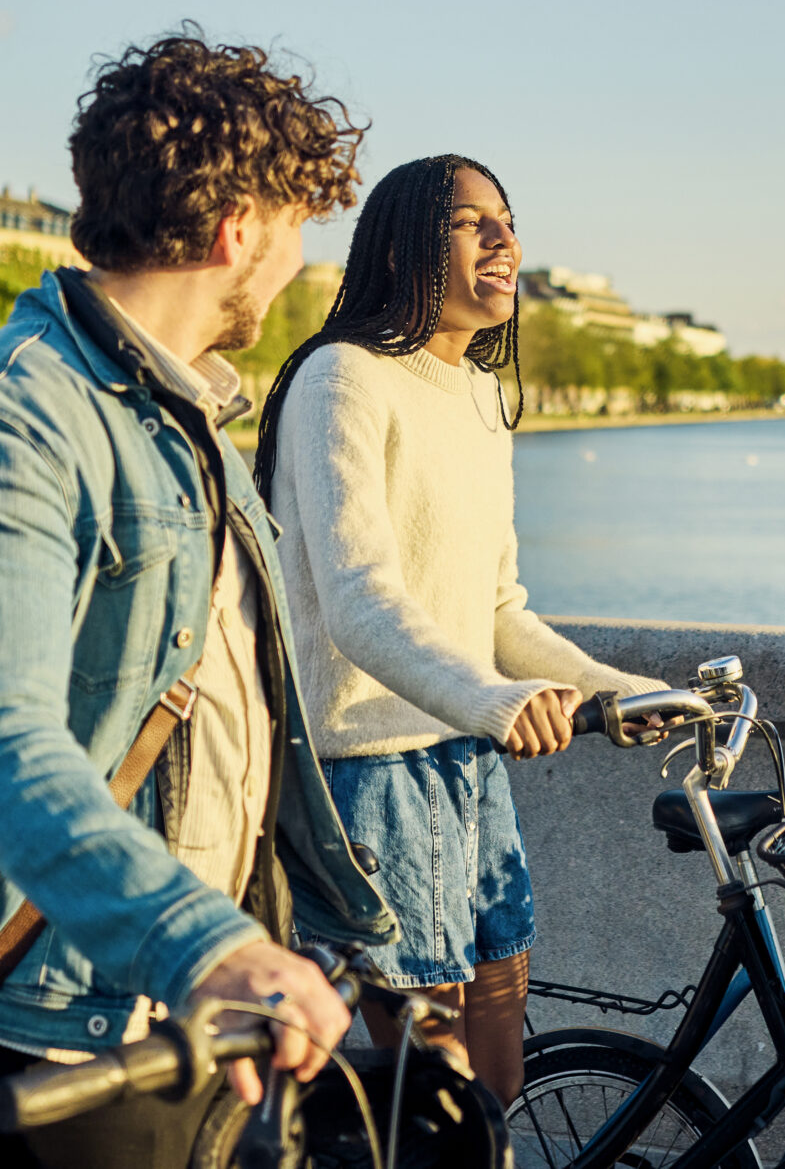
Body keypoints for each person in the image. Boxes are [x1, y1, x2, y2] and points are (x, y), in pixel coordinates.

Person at [0, 34, 394, 1168]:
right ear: (238, 229)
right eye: (298, 224)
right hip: (52, 1025)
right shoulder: (16, 414)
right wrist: (204, 946)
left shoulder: (184, 414)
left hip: (184, 1004)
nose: (303, 262)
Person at [255, 154, 661, 1105]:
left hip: (468, 761)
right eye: (471, 222)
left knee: (500, 1063)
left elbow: (499, 612)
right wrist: (498, 701)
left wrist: (617, 692)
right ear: (405, 243)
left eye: (509, 222)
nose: (505, 240)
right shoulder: (341, 377)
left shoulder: (480, 395)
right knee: (432, 1086)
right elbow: (358, 604)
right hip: (372, 769)